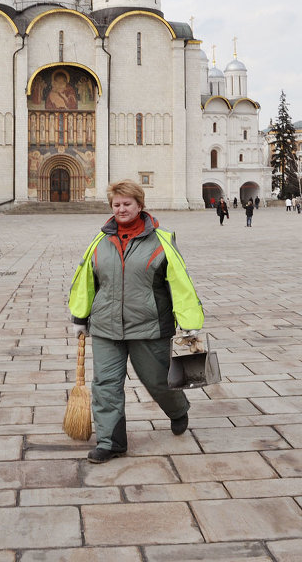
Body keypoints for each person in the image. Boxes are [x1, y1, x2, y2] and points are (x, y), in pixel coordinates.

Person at [68, 180, 204, 463]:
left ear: (140, 206)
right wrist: (80, 315)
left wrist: (189, 320)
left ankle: (177, 410)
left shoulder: (162, 239)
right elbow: (87, 279)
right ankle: (111, 442)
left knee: (157, 380)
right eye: (116, 205)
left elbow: (180, 282)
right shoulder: (101, 239)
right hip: (106, 326)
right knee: (105, 384)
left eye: (127, 204)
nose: (121, 209)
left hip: (149, 325)